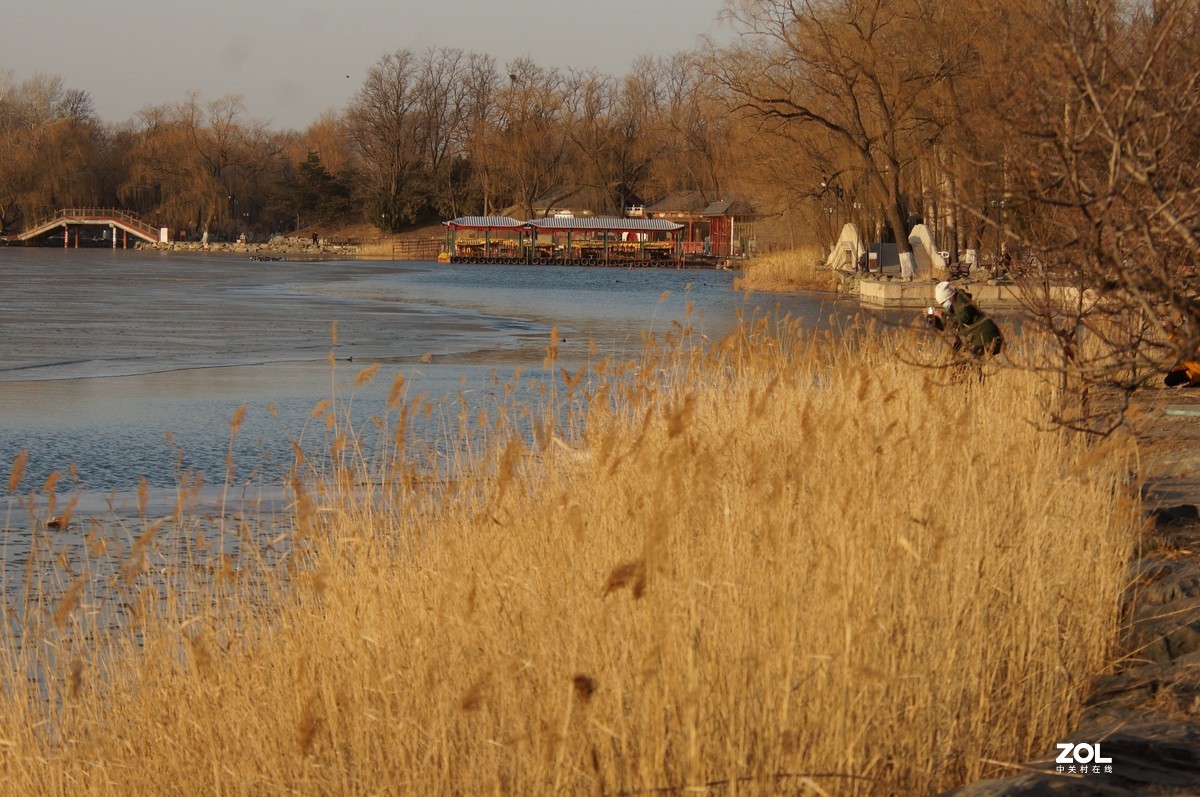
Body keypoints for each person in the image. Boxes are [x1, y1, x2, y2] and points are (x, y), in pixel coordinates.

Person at [926, 281, 1003, 357]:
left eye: (944, 303)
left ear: (950, 297)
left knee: (968, 365)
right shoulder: (955, 307)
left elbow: (963, 318)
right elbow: (947, 326)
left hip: (986, 337)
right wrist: (932, 319)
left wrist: (942, 315)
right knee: (960, 364)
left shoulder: (962, 301)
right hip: (978, 338)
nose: (944, 306)